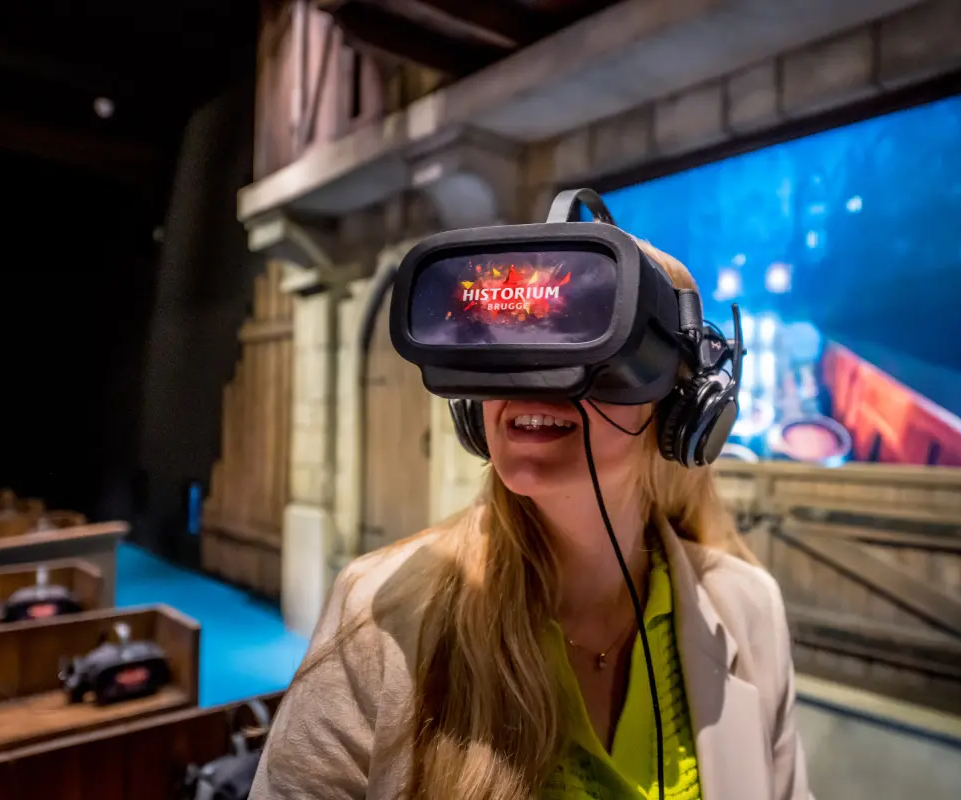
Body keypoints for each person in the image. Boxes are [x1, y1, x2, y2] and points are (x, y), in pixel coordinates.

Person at [250, 242, 814, 800]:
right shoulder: (377, 611)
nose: (538, 378)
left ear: (685, 404)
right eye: (512, 343)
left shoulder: (750, 608)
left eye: (596, 345)